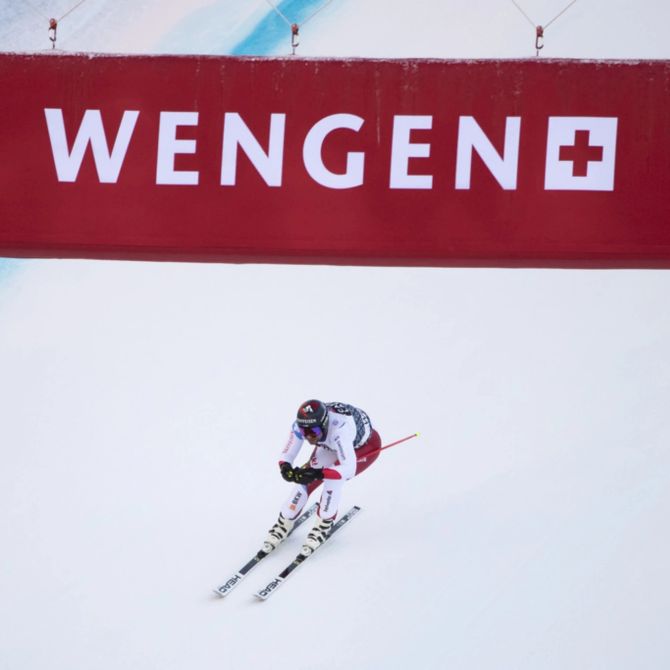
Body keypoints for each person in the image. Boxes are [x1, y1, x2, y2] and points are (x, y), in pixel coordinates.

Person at [263, 399, 382, 555]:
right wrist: (285, 467)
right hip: (330, 444)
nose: (310, 438)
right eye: (305, 434)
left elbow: (348, 468)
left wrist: (319, 473)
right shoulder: (302, 425)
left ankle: (323, 524)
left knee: (332, 480)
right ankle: (284, 521)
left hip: (364, 447)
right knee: (306, 476)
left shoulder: (341, 430)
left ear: (325, 424)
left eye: (314, 433)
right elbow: (288, 452)